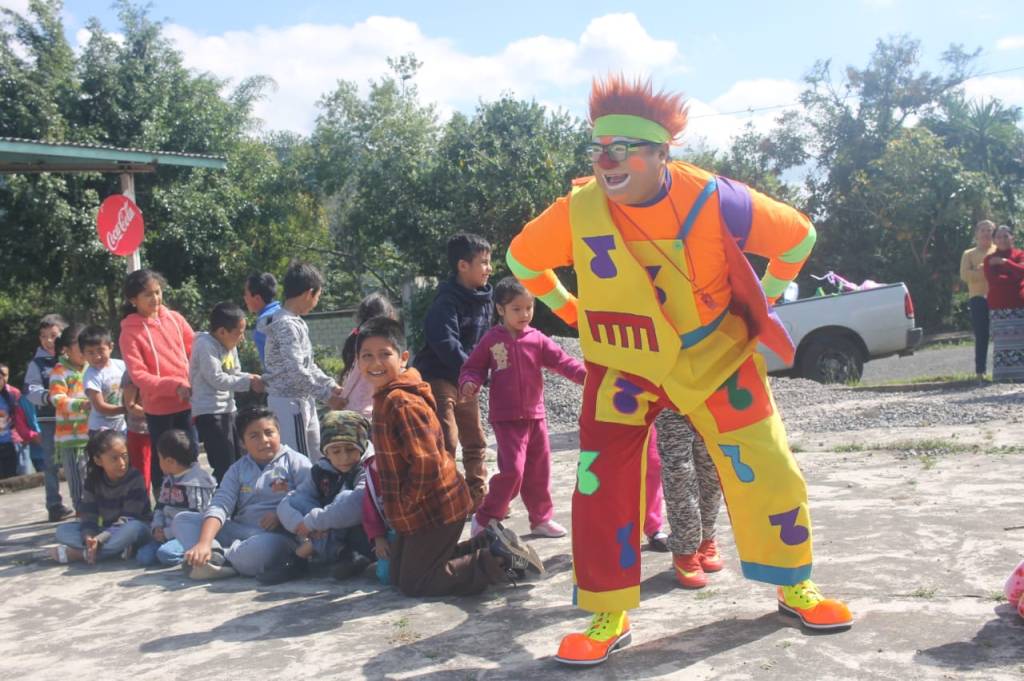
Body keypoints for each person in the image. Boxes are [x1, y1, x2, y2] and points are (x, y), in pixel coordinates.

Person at [507, 75, 851, 665]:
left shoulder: (717, 197)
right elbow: (522, 258)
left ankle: (794, 584)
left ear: (662, 152)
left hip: (714, 354)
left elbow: (799, 236)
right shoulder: (579, 209)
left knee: (770, 464)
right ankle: (607, 613)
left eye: (622, 148)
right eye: (598, 148)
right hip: (624, 361)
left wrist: (759, 302)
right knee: (600, 485)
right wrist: (575, 310)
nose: (607, 161)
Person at [358, 317, 544, 596]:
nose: (376, 363)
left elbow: (427, 463)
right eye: (367, 356)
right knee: (396, 573)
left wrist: (405, 504)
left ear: (403, 358)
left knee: (415, 583)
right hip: (420, 508)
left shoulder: (401, 402)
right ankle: (488, 543)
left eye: (385, 354)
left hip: (435, 509)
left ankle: (497, 560)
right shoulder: (387, 397)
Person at [460, 277, 587, 539]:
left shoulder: (537, 339)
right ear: (500, 309)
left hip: (536, 416)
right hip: (506, 420)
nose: (524, 314)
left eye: (529, 308)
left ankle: (541, 519)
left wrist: (588, 376)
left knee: (539, 472)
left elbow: (563, 362)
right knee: (513, 472)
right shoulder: (491, 340)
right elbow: (472, 367)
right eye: (516, 309)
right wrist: (469, 382)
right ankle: (486, 517)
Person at [175, 406, 312, 580]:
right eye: (254, 436)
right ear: (242, 442)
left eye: (269, 432)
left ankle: (220, 561)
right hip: (240, 530)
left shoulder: (297, 462)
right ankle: (214, 554)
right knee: (183, 519)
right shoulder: (237, 469)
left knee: (262, 550)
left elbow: (310, 497)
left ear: (279, 433)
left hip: (277, 537)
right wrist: (204, 542)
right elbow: (220, 504)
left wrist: (280, 514)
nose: (264, 440)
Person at [412, 233, 494, 507]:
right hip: (440, 378)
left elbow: (485, 342)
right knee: (447, 440)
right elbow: (446, 343)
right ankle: (447, 497)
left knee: (475, 440)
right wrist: (473, 371)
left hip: (466, 381)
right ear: (462, 265)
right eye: (483, 262)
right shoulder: (445, 303)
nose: (489, 269)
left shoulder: (485, 299)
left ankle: (477, 496)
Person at [261, 410, 375, 584]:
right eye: (336, 451)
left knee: (344, 499)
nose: (344, 457)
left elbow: (356, 506)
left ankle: (300, 557)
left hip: (365, 534)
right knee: (297, 501)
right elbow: (291, 500)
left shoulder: (369, 468)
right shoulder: (321, 470)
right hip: (328, 530)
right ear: (326, 453)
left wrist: (313, 522)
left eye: (351, 449)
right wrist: (300, 524)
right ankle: (343, 555)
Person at [119, 268, 197, 494]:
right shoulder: (129, 332)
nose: (155, 298)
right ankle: (164, 504)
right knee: (163, 460)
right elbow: (139, 375)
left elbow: (194, 352)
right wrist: (175, 386)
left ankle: (194, 498)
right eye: (148, 295)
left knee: (190, 454)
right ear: (133, 300)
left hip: (187, 402)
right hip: (159, 409)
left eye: (158, 292)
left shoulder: (175, 319)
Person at [259, 262, 344, 461]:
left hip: (303, 400)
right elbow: (296, 371)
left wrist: (330, 385)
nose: (317, 301)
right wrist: (327, 396)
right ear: (309, 293)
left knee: (316, 457)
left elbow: (308, 365)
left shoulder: (295, 322)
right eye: (318, 296)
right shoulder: (286, 325)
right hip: (289, 403)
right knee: (300, 461)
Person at [49, 430, 151, 564]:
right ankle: (116, 550)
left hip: (133, 529)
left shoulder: (135, 478)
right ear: (98, 460)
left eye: (124, 456)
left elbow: (128, 519)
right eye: (114, 458)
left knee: (133, 528)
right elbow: (89, 514)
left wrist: (100, 539)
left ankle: (83, 554)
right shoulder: (93, 480)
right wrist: (89, 536)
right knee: (63, 531)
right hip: (108, 531)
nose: (122, 463)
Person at [190, 301, 263, 482]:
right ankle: (223, 506)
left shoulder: (230, 346)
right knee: (224, 464)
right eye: (239, 333)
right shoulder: (205, 345)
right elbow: (216, 379)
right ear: (222, 331)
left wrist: (253, 377)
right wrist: (248, 381)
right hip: (210, 412)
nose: (242, 338)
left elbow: (235, 373)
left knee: (240, 459)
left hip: (229, 409)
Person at [655, 410, 723, 588]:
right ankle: (684, 549)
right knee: (679, 472)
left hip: (708, 396)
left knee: (712, 465)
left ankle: (707, 537)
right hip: (668, 397)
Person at [137, 429, 217, 567]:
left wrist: (167, 533)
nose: (158, 462)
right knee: (143, 557)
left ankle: (195, 555)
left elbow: (197, 519)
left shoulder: (197, 483)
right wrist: (157, 527)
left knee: (166, 554)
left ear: (170, 461)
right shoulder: (169, 479)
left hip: (186, 535)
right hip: (165, 534)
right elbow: (160, 506)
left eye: (159, 458)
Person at [24, 314, 73, 521]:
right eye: (44, 336)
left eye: (53, 335)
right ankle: (54, 505)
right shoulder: (37, 363)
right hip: (49, 420)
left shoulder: (73, 358)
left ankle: (85, 499)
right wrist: (47, 397)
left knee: (77, 460)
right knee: (51, 464)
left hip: (74, 418)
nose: (48, 340)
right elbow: (30, 389)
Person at [49, 324, 91, 512]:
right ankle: (81, 514)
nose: (85, 350)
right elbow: (57, 398)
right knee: (77, 481)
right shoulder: (59, 371)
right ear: (65, 349)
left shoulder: (92, 367)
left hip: (94, 434)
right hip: (71, 439)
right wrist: (80, 404)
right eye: (79, 346)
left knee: (94, 478)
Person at [337, 292, 399, 420]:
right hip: (370, 414)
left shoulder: (356, 336)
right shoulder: (383, 342)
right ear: (390, 316)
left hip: (349, 410)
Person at [983, 225, 1024, 382]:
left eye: (1005, 236)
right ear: (994, 240)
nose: (1002, 240)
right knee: (1003, 345)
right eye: (998, 237)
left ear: (1012, 238)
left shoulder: (1020, 254)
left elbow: (1022, 271)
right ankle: (1004, 377)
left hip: (1019, 306)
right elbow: (994, 281)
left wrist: (1005, 263)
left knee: (1021, 343)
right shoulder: (989, 259)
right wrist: (1013, 276)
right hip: (999, 307)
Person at [960, 220, 996, 378]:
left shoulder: (998, 250)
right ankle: (980, 372)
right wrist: (984, 270)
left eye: (989, 230)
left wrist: (980, 269)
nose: (986, 233)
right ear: (976, 233)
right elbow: (965, 275)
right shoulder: (969, 254)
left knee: (1003, 334)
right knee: (982, 335)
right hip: (978, 298)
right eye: (982, 230)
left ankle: (1003, 369)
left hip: (998, 298)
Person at [80, 325, 127, 435]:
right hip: (100, 429)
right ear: (83, 354)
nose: (97, 357)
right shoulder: (91, 375)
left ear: (110, 347)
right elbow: (100, 406)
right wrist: (127, 409)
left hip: (121, 426)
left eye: (101, 350)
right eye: (91, 352)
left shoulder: (121, 365)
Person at [0, 362, 39, 478]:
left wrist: (26, 434)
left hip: (14, 441)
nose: (2, 378)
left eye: (5, 375)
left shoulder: (13, 393)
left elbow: (25, 417)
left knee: (22, 477)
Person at [120, 369, 152, 490]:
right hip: (140, 432)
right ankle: (143, 506)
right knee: (142, 475)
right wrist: (154, 413)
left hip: (160, 428)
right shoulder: (131, 372)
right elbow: (130, 405)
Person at [243, 272, 281, 366]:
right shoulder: (283, 313)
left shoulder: (264, 321)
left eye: (246, 294)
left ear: (257, 298)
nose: (244, 298)